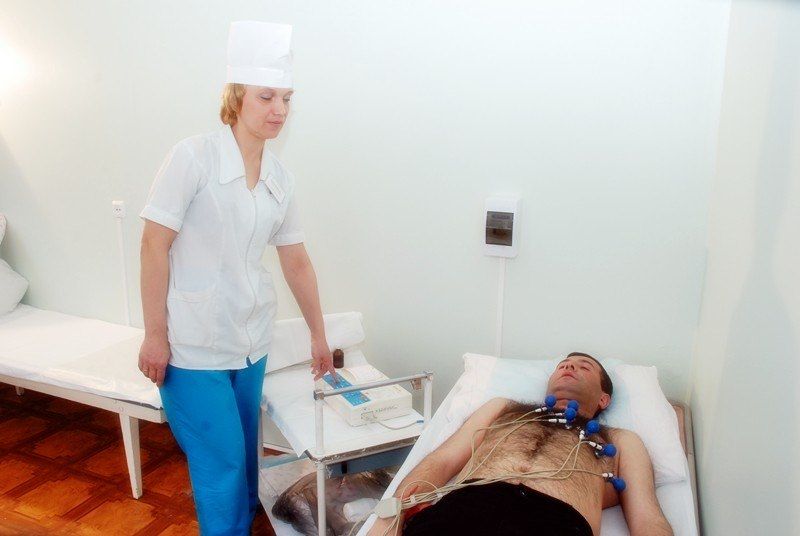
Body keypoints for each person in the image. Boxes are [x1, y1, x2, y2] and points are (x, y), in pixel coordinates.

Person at [137, 21, 335, 535]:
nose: (279, 109)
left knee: (246, 456)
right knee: (222, 461)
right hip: (192, 347)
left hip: (250, 343)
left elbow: (296, 260)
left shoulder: (280, 177)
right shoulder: (193, 158)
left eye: (287, 98)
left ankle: (242, 522)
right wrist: (155, 336)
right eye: (266, 96)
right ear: (236, 96)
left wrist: (318, 334)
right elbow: (154, 244)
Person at [368, 352, 673, 536]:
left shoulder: (619, 440)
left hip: (556, 521)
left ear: (603, 399)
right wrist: (389, 518)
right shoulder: (504, 408)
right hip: (466, 508)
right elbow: (443, 460)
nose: (569, 368)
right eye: (563, 365)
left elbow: (647, 517)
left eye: (584, 367)